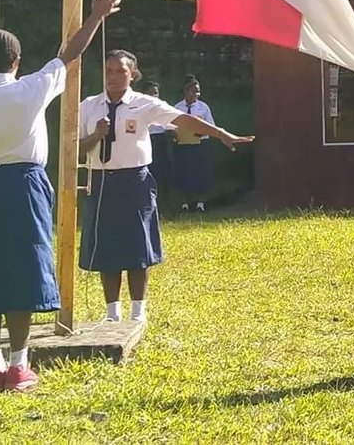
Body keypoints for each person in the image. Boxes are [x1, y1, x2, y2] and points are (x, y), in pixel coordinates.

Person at [0, 0, 122, 394]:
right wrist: (97, 14)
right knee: (23, 269)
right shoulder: (28, 89)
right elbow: (70, 53)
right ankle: (18, 366)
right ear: (16, 61)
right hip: (23, 184)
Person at [78, 52, 254, 325]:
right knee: (107, 246)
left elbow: (181, 120)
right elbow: (76, 149)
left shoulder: (143, 104)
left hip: (134, 179)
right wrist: (96, 134)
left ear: (132, 74)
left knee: (137, 246)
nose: (113, 77)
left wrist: (220, 133)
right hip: (102, 180)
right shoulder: (88, 106)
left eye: (120, 71)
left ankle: (138, 309)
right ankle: (112, 311)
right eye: (109, 70)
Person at [174, 75, 215, 213]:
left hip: (200, 145)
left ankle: (200, 204)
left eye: (198, 91)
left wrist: (201, 132)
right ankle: (185, 204)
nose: (196, 94)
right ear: (185, 91)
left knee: (200, 173)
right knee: (184, 173)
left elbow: (211, 126)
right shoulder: (177, 107)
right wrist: (175, 134)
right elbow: (170, 126)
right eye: (193, 91)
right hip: (183, 145)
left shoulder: (203, 107)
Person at [142, 80, 174, 203]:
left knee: (162, 170)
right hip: (147, 140)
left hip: (161, 140)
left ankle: (164, 200)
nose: (154, 95)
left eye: (156, 92)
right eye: (151, 93)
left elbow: (171, 123)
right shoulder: (140, 105)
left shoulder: (162, 105)